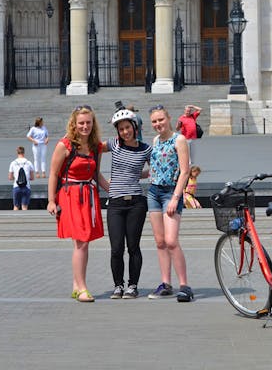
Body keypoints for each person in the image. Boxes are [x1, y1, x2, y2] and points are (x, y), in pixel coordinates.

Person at [47, 105, 108, 303]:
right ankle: (82, 287)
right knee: (81, 242)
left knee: (83, 242)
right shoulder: (64, 145)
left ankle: (76, 284)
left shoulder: (95, 146)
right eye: (81, 123)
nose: (85, 126)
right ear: (74, 124)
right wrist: (50, 201)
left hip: (88, 196)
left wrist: (112, 189)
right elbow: (54, 174)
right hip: (70, 195)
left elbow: (96, 173)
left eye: (88, 122)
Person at [146, 105, 194, 302]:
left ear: (168, 119)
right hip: (154, 192)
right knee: (160, 242)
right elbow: (154, 168)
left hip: (170, 193)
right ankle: (166, 283)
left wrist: (175, 197)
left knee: (172, 241)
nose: (158, 124)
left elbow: (185, 171)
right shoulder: (156, 140)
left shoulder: (179, 139)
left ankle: (185, 285)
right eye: (154, 121)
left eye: (161, 120)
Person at [103, 108, 151, 300]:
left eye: (127, 127)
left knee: (133, 246)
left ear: (135, 127)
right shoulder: (114, 145)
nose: (125, 132)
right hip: (115, 203)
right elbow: (91, 146)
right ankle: (118, 286)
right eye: (121, 129)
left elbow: (159, 165)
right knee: (116, 248)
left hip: (136, 203)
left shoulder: (146, 149)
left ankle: (132, 285)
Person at [8, 146, 34, 210]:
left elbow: (10, 177)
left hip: (16, 186)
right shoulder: (29, 163)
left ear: (17, 152)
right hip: (26, 187)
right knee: (24, 207)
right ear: (24, 152)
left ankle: (14, 219)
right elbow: (32, 178)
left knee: (16, 206)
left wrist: (15, 177)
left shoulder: (13, 163)